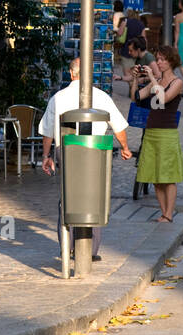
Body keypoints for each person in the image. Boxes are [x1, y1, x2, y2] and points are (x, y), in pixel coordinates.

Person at [39, 57, 133, 262]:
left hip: (65, 149)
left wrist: (46, 156)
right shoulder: (101, 97)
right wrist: (125, 148)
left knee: (68, 195)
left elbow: (48, 130)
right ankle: (90, 249)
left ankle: (68, 246)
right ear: (89, 75)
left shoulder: (58, 97)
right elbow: (118, 126)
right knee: (94, 196)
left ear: (71, 74)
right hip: (95, 150)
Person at [132, 45, 183, 223]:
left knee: (168, 176)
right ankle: (164, 214)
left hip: (167, 133)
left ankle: (169, 214)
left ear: (171, 61)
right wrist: (134, 79)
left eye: (163, 59)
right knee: (155, 176)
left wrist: (153, 79)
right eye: (158, 59)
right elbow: (137, 98)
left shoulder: (177, 82)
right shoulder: (157, 82)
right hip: (152, 131)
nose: (159, 62)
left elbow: (162, 98)